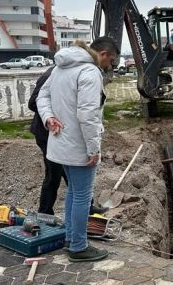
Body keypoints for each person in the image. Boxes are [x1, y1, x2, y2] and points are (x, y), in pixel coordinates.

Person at [36, 37, 118, 263]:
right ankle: (79, 247)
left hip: (60, 143)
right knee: (82, 195)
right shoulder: (89, 72)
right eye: (110, 60)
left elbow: (42, 97)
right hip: (78, 145)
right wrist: (93, 148)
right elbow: (88, 114)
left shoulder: (60, 68)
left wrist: (48, 117)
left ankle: (71, 238)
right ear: (102, 54)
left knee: (73, 192)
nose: (110, 66)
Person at [28, 67, 108, 217]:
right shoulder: (53, 74)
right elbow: (33, 102)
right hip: (48, 134)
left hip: (64, 134)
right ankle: (44, 213)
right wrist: (54, 114)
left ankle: (87, 206)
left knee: (71, 176)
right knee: (53, 175)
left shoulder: (74, 73)